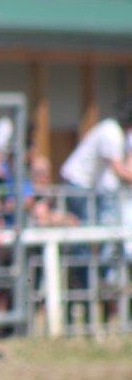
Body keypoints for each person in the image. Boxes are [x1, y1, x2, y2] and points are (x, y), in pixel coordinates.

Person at [60, 97, 132, 286]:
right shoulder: (112, 133)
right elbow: (119, 169)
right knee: (84, 241)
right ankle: (86, 283)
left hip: (82, 187)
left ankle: (89, 282)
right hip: (77, 186)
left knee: (89, 238)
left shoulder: (112, 130)